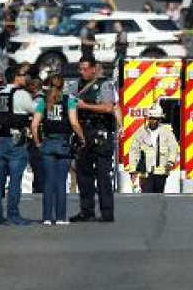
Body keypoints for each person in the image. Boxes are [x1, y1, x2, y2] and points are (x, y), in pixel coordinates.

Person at [71, 56, 121, 222]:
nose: (82, 72)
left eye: (85, 69)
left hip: (100, 132)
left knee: (103, 175)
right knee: (83, 174)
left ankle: (107, 212)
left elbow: (108, 107)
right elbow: (68, 102)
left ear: (94, 69)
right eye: (80, 69)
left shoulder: (104, 85)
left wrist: (85, 106)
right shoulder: (76, 85)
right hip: (83, 132)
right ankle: (87, 210)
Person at [31, 74, 85, 225]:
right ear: (63, 86)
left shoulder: (44, 101)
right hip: (63, 143)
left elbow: (34, 125)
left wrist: (37, 143)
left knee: (48, 181)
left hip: (47, 143)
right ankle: (60, 217)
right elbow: (74, 123)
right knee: (61, 182)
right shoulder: (69, 101)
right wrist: (82, 138)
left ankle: (47, 217)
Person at [0, 64, 36, 225]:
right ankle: (13, 215)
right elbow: (35, 109)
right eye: (23, 75)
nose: (25, 77)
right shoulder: (21, 94)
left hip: (0, 139)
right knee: (15, 179)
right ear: (16, 77)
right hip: (16, 139)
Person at [127, 104, 179, 193]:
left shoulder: (167, 133)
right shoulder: (141, 133)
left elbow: (173, 148)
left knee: (158, 196)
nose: (153, 120)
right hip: (145, 172)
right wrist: (133, 170)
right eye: (152, 118)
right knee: (147, 197)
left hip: (161, 170)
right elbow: (133, 151)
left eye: (156, 118)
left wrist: (170, 162)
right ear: (148, 118)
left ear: (159, 119)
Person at [25, 76, 45, 194]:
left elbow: (34, 123)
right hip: (38, 136)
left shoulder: (38, 101)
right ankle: (38, 185)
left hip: (37, 137)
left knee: (38, 164)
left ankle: (39, 187)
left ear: (33, 87)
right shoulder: (44, 99)